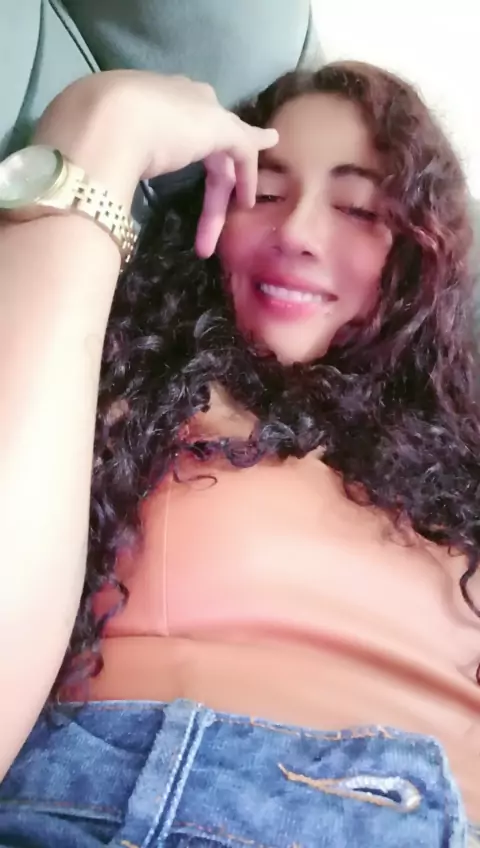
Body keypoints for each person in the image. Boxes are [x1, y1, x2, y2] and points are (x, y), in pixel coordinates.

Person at [0, 61, 479, 847]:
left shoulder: (459, 478)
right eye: (266, 191)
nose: (299, 234)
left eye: (358, 208)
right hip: (194, 801)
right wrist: (106, 125)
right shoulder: (137, 389)